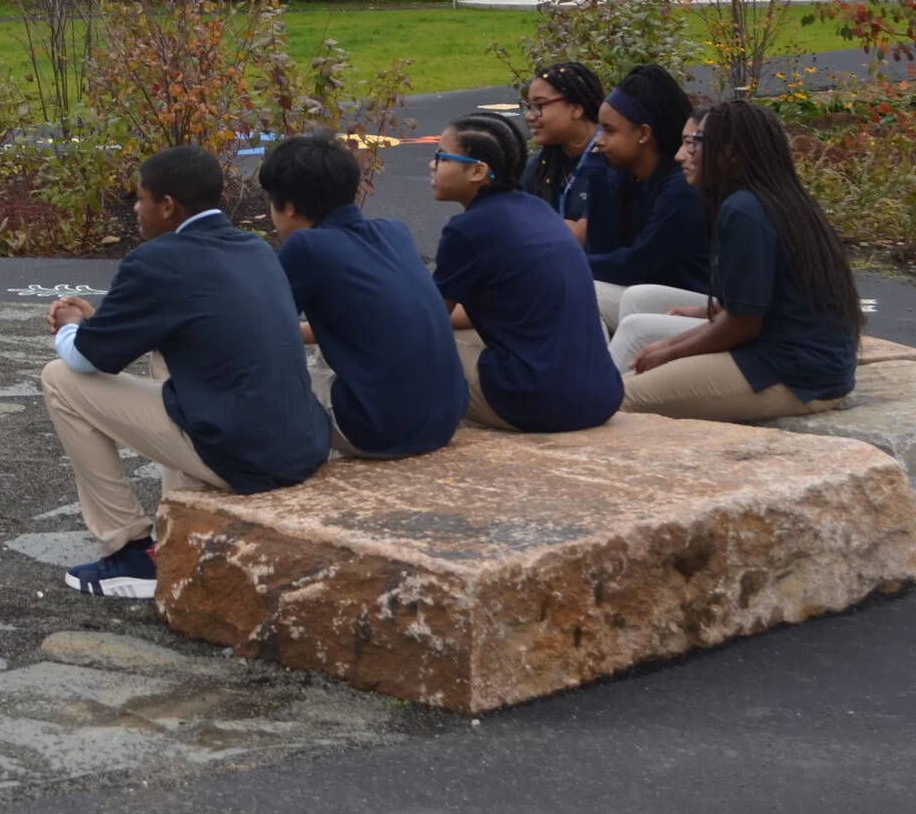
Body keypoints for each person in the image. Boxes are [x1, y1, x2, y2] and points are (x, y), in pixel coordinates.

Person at [42, 144, 332, 597]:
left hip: (242, 453)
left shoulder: (157, 261)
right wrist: (103, 326)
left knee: (59, 379)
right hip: (302, 443)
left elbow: (82, 360)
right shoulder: (255, 249)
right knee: (165, 354)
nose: (136, 209)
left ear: (167, 205)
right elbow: (200, 325)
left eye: (140, 198)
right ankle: (179, 516)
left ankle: (130, 552)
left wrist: (72, 326)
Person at [612, 99, 863, 422]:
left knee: (622, 398)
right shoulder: (776, 197)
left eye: (698, 143)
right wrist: (668, 346)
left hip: (792, 374)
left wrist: (670, 351)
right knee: (630, 380)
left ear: (730, 153)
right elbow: (746, 310)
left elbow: (743, 324)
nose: (685, 153)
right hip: (803, 365)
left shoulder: (744, 210)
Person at [258, 132, 466, 460]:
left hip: (379, 429)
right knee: (331, 350)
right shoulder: (395, 231)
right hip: (445, 418)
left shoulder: (306, 246)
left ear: (291, 206)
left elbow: (262, 335)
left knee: (201, 372)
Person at [428, 111, 622, 433]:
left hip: (538, 403)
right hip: (601, 395)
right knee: (459, 334)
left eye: (441, 157)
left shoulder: (468, 230)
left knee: (413, 353)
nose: (432, 165)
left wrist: (317, 332)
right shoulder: (537, 209)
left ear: (478, 171)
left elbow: (427, 320)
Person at [579, 62, 710, 329]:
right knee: (575, 287)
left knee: (579, 290)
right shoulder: (627, 178)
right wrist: (597, 178)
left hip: (694, 304)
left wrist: (562, 261)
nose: (598, 140)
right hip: (647, 294)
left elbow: (635, 264)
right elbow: (604, 249)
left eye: (610, 130)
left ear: (643, 133)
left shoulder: (681, 188)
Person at [520, 60, 608, 227]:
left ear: (576, 108)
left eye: (539, 105)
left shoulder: (611, 160)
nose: (529, 116)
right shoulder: (539, 165)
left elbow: (584, 236)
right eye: (528, 106)